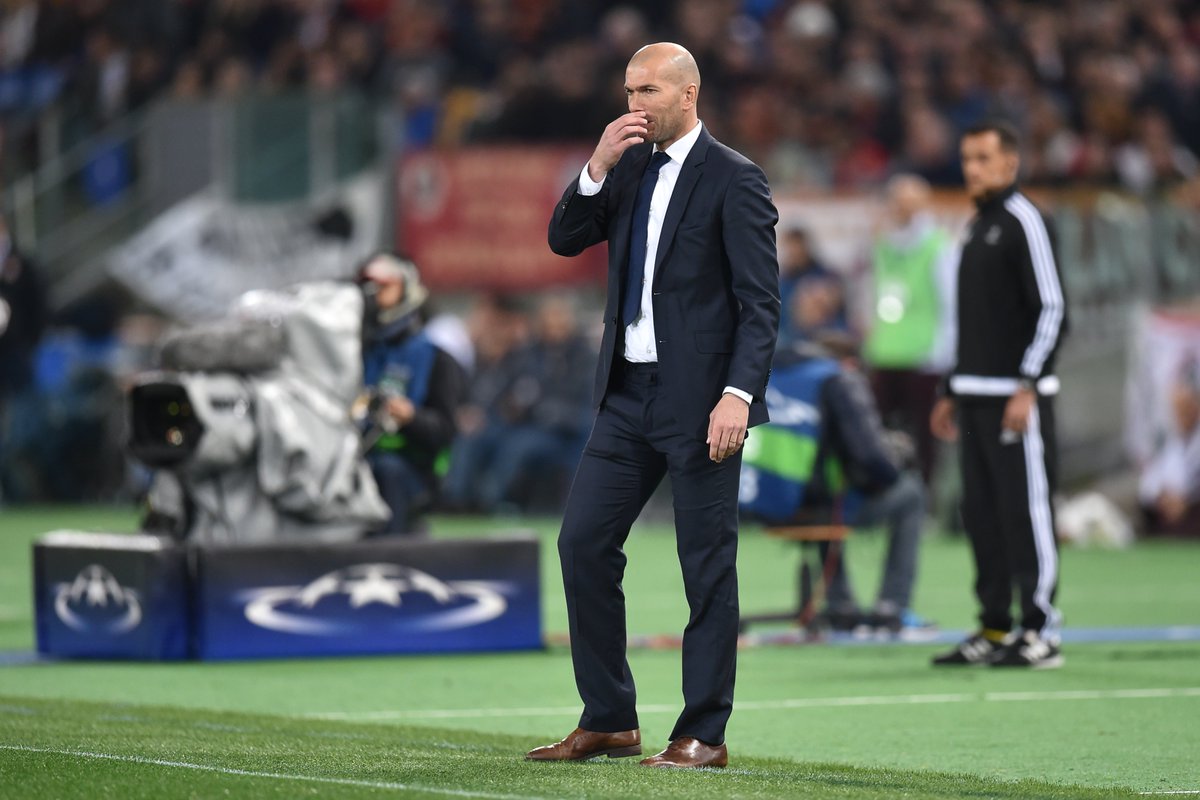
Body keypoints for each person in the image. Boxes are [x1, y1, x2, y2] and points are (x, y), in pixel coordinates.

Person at [526, 43, 779, 769]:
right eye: (629, 91)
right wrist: (596, 165)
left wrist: (738, 394)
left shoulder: (735, 178)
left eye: (648, 91)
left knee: (706, 566)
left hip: (702, 404)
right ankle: (609, 718)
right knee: (582, 543)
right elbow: (564, 239)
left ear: (688, 94)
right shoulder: (629, 167)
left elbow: (760, 304)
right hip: (626, 395)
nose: (634, 104)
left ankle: (704, 734)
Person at [929, 121, 1069, 669]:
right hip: (975, 396)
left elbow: (1052, 309)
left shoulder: (1024, 220)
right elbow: (977, 323)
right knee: (982, 517)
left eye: (984, 158)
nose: (973, 168)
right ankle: (994, 627)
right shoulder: (977, 226)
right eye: (967, 158)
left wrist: (1028, 383)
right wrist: (952, 386)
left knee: (1025, 514)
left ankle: (1040, 630)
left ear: (1011, 163)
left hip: (1016, 399)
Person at [739, 334, 931, 635]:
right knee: (911, 493)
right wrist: (895, 462)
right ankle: (891, 606)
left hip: (754, 502)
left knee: (820, 489)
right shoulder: (836, 379)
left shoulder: (768, 371)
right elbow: (871, 459)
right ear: (851, 362)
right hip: (814, 508)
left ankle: (841, 603)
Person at [358, 253, 464, 535]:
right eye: (368, 287)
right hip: (355, 458)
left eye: (384, 286)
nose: (373, 295)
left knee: (386, 470)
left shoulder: (436, 359)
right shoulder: (358, 352)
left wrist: (411, 417)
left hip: (410, 467)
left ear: (407, 288)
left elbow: (446, 431)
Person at [862, 174, 958, 487]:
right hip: (885, 354)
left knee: (925, 440)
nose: (900, 209)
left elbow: (950, 303)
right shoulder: (882, 243)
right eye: (896, 203)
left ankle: (924, 500)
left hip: (923, 357)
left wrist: (942, 354)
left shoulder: (938, 246)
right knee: (878, 434)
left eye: (907, 203)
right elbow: (873, 293)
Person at [1138, 357, 1200, 536]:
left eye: (1187, 409)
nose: (1182, 415)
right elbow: (1150, 481)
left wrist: (1185, 501)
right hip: (1168, 509)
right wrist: (1163, 497)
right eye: (1178, 410)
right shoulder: (1168, 441)